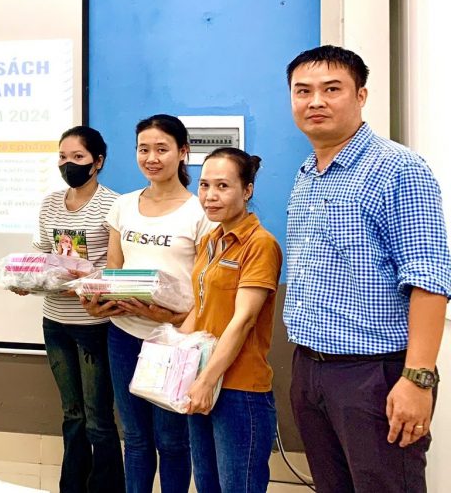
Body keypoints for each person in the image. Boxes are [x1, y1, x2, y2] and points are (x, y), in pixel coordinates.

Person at [284, 45, 450, 492]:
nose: (315, 101)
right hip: (310, 369)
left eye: (331, 89)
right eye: (303, 91)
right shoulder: (307, 172)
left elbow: (429, 279)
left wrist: (418, 379)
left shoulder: (398, 168)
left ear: (361, 96)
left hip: (373, 376)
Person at [85, 114, 215, 493]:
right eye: (144, 149)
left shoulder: (200, 212)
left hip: (175, 341)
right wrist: (98, 302)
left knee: (172, 441)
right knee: (137, 439)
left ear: (183, 152)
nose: (151, 158)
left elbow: (207, 290)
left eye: (162, 149)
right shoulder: (123, 206)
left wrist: (169, 317)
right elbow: (113, 271)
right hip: (124, 335)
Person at [18, 126, 123, 493]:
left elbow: (114, 268)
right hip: (55, 322)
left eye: (78, 157)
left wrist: (83, 281)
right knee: (72, 414)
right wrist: (25, 278)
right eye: (63, 157)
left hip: (94, 324)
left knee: (98, 418)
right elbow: (41, 256)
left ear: (98, 162)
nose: (68, 164)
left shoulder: (114, 205)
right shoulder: (50, 203)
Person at [180, 148, 282, 493]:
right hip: (202, 380)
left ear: (247, 190)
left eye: (223, 186)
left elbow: (244, 320)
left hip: (238, 390)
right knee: (206, 484)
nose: (210, 195)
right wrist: (170, 353)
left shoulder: (260, 244)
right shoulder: (211, 240)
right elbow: (200, 307)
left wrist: (207, 381)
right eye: (204, 185)